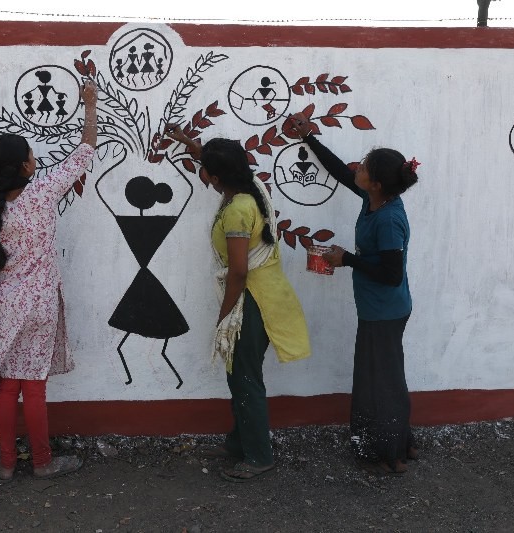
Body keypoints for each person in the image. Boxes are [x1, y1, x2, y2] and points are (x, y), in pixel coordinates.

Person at [164, 125, 311, 482]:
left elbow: (239, 272)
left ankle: (259, 455)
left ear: (216, 178)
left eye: (205, 169)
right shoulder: (251, 187)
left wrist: (225, 314)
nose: (202, 173)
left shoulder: (236, 210)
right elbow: (220, 164)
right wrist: (192, 145)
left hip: (253, 301)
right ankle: (239, 441)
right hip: (266, 293)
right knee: (239, 374)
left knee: (245, 379)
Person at [0, 80, 98, 482]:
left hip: (6, 303)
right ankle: (42, 462)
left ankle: (7, 463)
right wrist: (90, 104)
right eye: (31, 154)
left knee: (7, 387)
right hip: (41, 302)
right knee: (34, 387)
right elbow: (85, 151)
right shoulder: (42, 192)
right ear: (26, 166)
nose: (34, 159)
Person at [289, 113, 419, 475]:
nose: (356, 169)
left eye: (363, 168)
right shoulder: (374, 200)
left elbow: (391, 274)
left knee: (382, 380)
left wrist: (346, 259)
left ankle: (391, 453)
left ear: (376, 184)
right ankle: (401, 443)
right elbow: (340, 173)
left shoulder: (387, 219)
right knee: (382, 375)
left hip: (385, 309)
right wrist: (309, 137)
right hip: (378, 307)